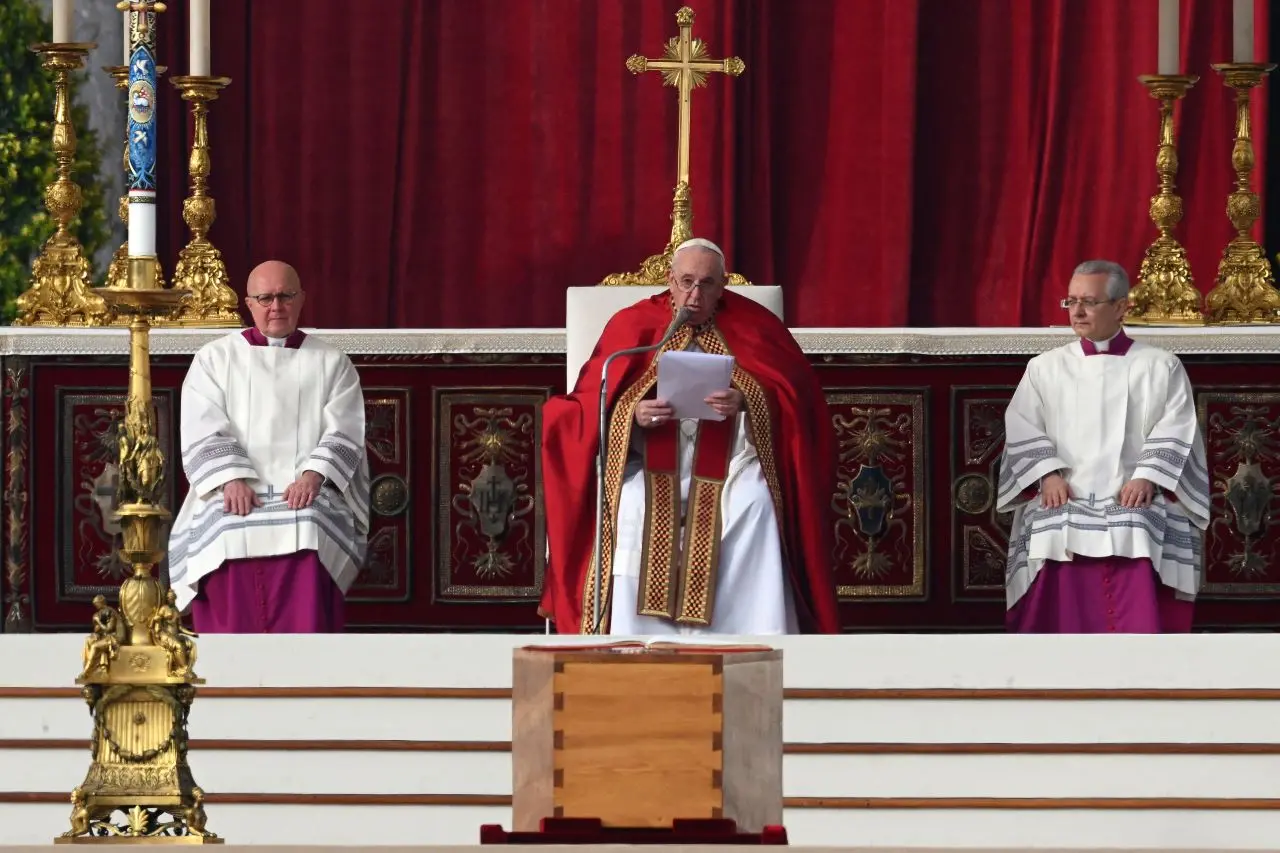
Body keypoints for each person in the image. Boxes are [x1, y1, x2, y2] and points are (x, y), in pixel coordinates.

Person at [540, 238, 841, 635]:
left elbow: (799, 403)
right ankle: (640, 638)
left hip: (733, 459)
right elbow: (581, 408)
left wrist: (749, 400)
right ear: (669, 280)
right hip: (647, 462)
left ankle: (749, 635)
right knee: (632, 506)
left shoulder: (756, 326)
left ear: (724, 285)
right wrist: (631, 415)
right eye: (686, 282)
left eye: (707, 284)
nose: (695, 295)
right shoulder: (632, 325)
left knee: (756, 505)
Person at [997, 259, 1210, 633]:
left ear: (1120, 307)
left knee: (1139, 525)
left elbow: (1178, 425)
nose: (1077, 311)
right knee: (1052, 527)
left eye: (1089, 302)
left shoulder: (1160, 366)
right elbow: (1020, 423)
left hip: (1134, 493)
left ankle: (1143, 649)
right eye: (1071, 301)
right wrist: (1047, 475)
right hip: (1064, 492)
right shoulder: (1045, 367)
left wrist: (1147, 477)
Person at [168, 260, 370, 633]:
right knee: (224, 526)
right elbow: (204, 425)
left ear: (301, 299)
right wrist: (230, 480)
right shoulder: (215, 359)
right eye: (265, 298)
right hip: (236, 488)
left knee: (311, 526)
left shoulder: (331, 361)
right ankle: (227, 666)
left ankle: (305, 661)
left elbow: (344, 429)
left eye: (285, 296)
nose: (275, 306)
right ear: (249, 303)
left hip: (306, 489)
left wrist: (313, 477)